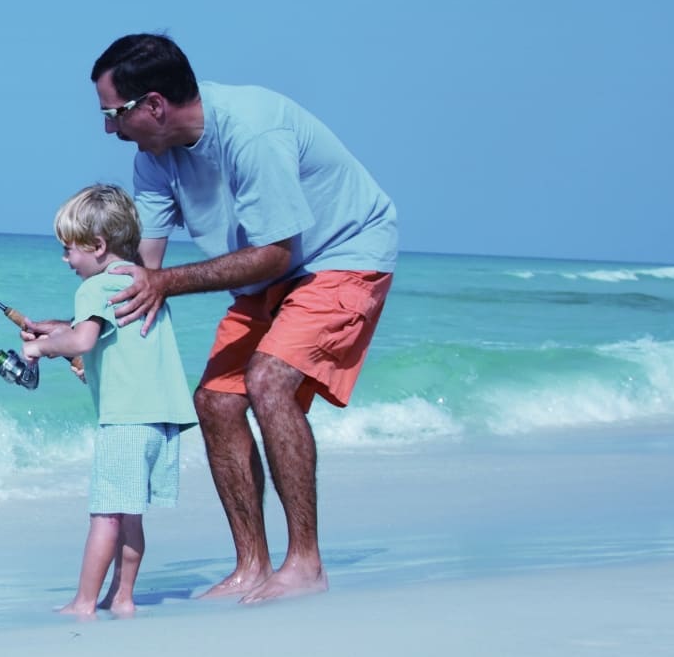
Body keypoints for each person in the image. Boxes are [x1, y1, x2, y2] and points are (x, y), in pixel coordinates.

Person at [89, 33, 397, 604]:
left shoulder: (251, 132)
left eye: (113, 114)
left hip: (342, 255)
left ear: (153, 105)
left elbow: (276, 251)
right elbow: (143, 271)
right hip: (268, 273)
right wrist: (84, 335)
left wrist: (165, 283)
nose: (109, 129)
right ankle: (251, 565)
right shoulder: (152, 160)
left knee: (268, 379)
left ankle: (305, 563)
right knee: (216, 400)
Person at [20, 183, 197, 618]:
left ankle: (83, 603)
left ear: (97, 246)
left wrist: (40, 348)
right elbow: (111, 348)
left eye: (70, 250)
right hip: (161, 419)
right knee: (130, 513)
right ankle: (123, 596)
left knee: (106, 515)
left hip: (125, 421)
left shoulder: (93, 289)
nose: (66, 260)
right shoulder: (142, 282)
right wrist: (71, 349)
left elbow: (83, 337)